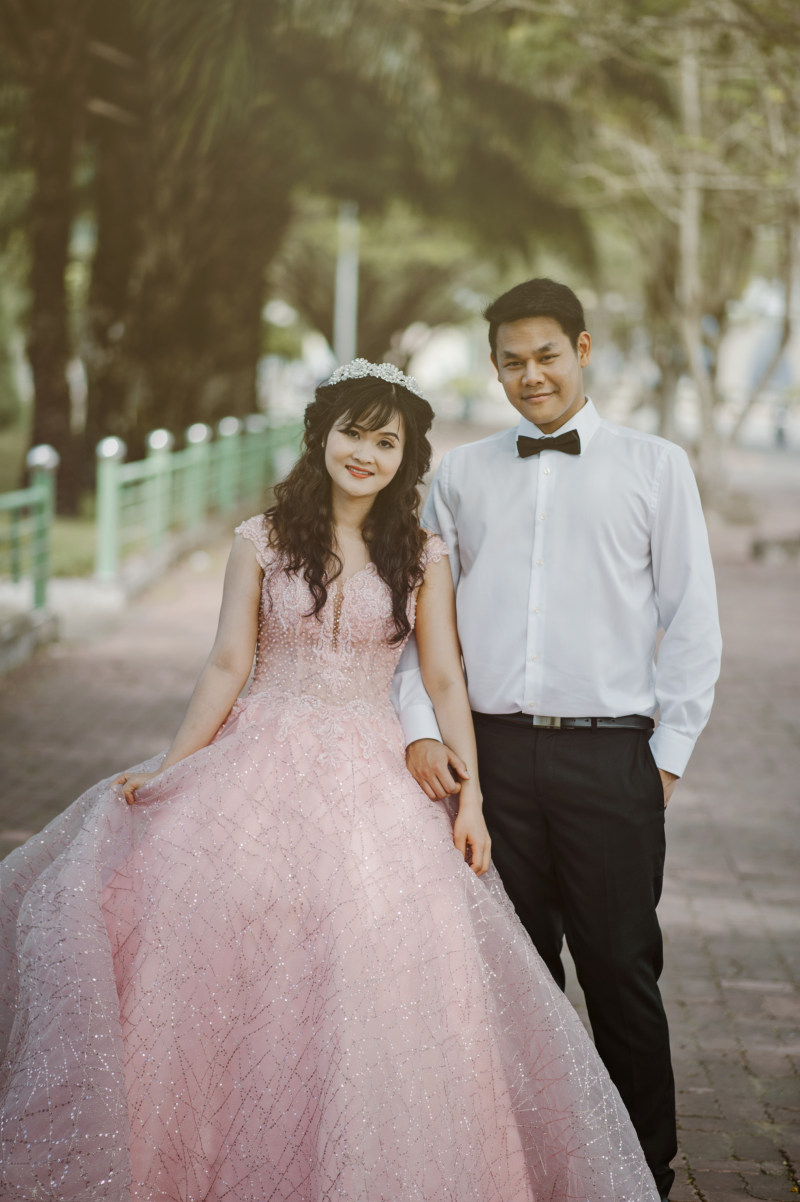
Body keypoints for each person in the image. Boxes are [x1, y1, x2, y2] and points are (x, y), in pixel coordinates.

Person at [0, 360, 659, 1201]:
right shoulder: (263, 540)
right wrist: (174, 766)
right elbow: (228, 663)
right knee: (227, 943)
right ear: (322, 436)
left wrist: (474, 798)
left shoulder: (421, 554)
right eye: (354, 432)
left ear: (405, 459)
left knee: (372, 955)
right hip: (256, 757)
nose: (366, 454)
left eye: (387, 442)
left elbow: (447, 679)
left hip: (371, 771)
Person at [393, 281, 723, 1202]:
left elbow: (693, 623)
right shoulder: (458, 476)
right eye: (510, 360)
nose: (529, 375)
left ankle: (642, 1176)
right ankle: (530, 1172)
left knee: (621, 973)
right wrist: (424, 732)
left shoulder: (657, 467)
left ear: (583, 349)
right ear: (493, 366)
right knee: (514, 981)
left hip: (610, 757)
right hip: (488, 763)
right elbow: (423, 630)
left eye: (546, 355)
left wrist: (663, 762)